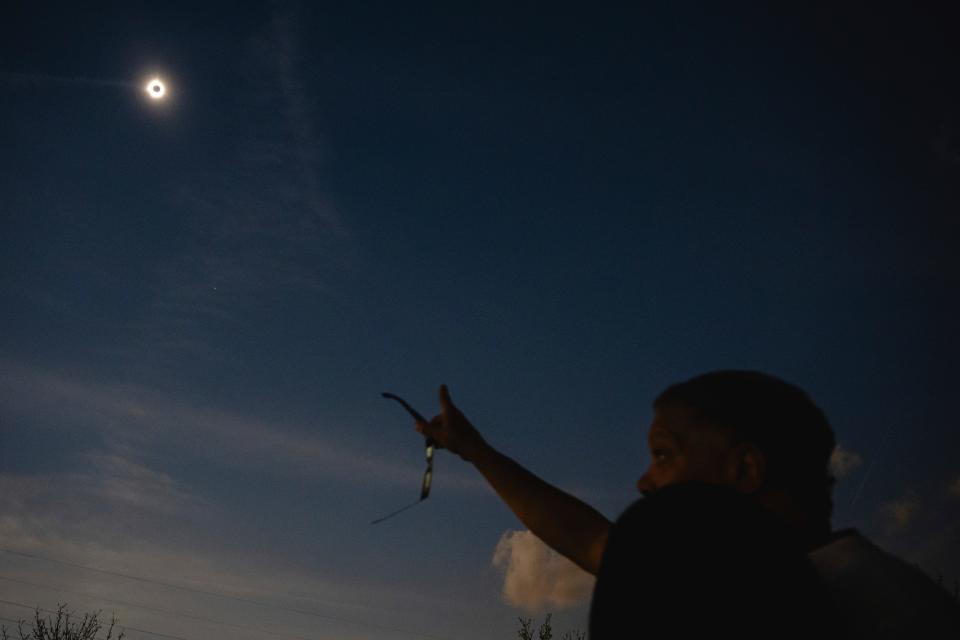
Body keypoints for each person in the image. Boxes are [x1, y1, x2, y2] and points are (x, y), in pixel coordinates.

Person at [415, 371, 960, 638]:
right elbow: (587, 538)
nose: (644, 482)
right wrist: (476, 453)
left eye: (664, 455)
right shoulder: (710, 577)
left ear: (745, 469)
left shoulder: (897, 615)